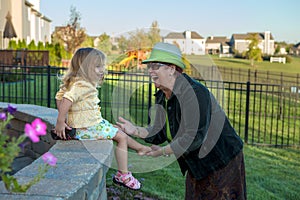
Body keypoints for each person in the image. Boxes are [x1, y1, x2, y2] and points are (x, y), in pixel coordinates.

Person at [116, 42, 247, 199]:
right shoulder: (162, 96)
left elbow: (194, 138)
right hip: (196, 164)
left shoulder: (194, 93)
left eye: (155, 66)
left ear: (171, 69)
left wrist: (163, 151)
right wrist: (135, 130)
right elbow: (158, 132)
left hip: (221, 160)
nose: (150, 71)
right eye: (149, 66)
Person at [53, 47, 151, 190]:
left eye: (102, 66)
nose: (102, 70)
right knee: (121, 138)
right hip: (86, 129)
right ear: (85, 68)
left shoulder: (75, 83)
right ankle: (123, 175)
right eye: (98, 66)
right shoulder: (83, 85)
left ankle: (140, 148)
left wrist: (66, 120)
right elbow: (67, 99)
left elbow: (59, 97)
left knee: (116, 129)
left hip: (88, 125)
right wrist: (60, 122)